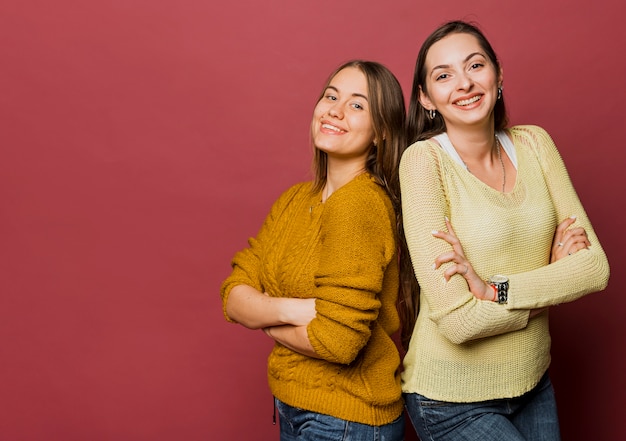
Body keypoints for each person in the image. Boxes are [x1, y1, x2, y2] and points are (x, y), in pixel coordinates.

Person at [398, 20, 610, 440]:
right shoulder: (424, 163)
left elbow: (594, 269)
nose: (464, 83)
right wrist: (552, 281)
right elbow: (459, 322)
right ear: (426, 98)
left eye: (475, 66)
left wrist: (492, 289)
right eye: (443, 76)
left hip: (534, 382)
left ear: (498, 74)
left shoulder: (535, 144)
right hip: (450, 399)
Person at [220, 60, 407, 440]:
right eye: (331, 96)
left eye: (357, 105)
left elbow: (338, 344)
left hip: (346, 419)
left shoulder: (359, 204)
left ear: (381, 132)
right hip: (293, 405)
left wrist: (264, 319)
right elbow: (233, 293)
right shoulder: (295, 201)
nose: (335, 110)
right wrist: (294, 310)